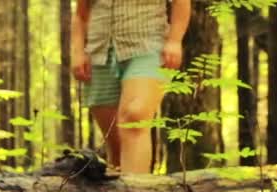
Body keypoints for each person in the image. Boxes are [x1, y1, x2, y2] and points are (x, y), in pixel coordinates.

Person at [72, 0, 191, 174]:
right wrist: (78, 52)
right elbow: (80, 15)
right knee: (116, 144)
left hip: (148, 47)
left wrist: (174, 40)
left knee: (134, 117)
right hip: (99, 53)